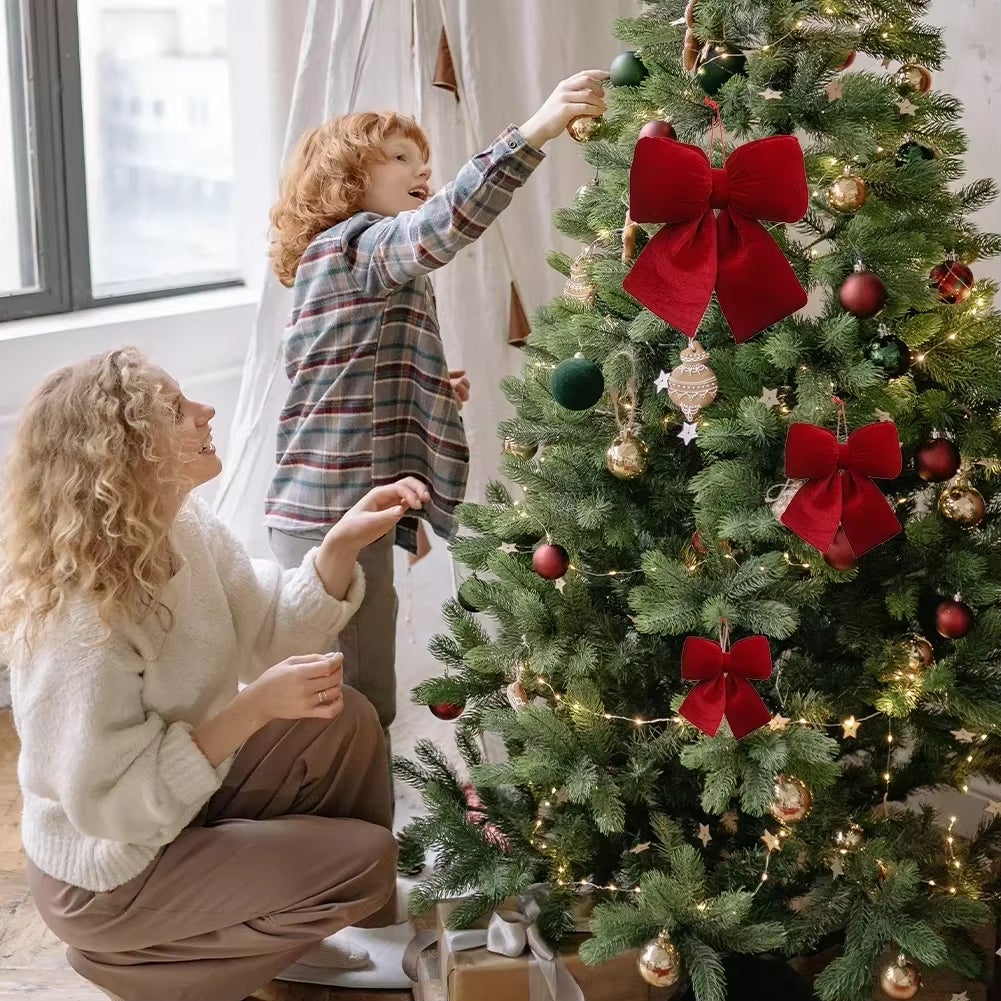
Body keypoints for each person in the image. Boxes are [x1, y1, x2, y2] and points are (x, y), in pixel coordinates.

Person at [1, 347, 431, 1001]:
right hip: (108, 872)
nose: (206, 412)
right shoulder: (81, 619)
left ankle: (359, 926)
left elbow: (268, 632)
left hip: (182, 811)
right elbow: (110, 806)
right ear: (129, 449)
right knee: (364, 861)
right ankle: (139, 961)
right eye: (177, 410)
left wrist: (340, 545)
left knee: (344, 718)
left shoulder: (185, 525)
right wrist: (250, 710)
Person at [265, 69, 609, 744]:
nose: (422, 169)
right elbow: (441, 227)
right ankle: (348, 826)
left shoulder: (351, 263)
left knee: (357, 693)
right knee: (354, 703)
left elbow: (342, 373)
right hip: (329, 514)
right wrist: (534, 129)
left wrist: (424, 386)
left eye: (424, 160)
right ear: (344, 177)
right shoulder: (353, 244)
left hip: (337, 507)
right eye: (399, 158)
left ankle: (348, 816)